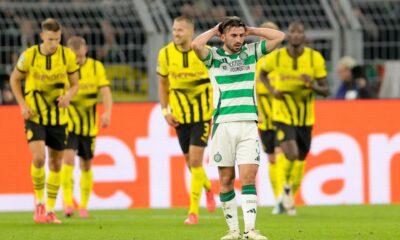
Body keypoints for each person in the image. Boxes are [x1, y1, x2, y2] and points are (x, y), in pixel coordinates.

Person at [192, 16, 285, 239]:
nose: (239, 40)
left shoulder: (251, 52)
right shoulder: (213, 57)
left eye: (241, 36)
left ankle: (250, 230)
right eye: (233, 35)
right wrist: (215, 30)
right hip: (223, 125)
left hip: (248, 125)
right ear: (222, 36)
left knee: (248, 177)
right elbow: (195, 45)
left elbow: (279, 36)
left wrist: (251, 30)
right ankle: (233, 231)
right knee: (225, 179)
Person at [10, 18, 79, 224]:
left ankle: (50, 209)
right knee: (39, 158)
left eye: (57, 40)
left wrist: (68, 96)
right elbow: (14, 79)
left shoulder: (67, 56)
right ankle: (39, 204)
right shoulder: (29, 56)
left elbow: (75, 84)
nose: (54, 44)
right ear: (42, 36)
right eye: (50, 40)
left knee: (55, 163)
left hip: (59, 118)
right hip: (35, 116)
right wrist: (22, 105)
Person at [260, 21, 330, 216]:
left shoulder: (314, 58)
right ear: (288, 35)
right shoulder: (276, 57)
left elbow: (326, 90)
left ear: (304, 36)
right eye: (293, 32)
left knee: (300, 157)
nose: (296, 35)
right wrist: (273, 90)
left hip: (305, 118)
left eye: (300, 32)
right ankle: (281, 197)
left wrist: (312, 86)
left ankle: (287, 193)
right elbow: (263, 77)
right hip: (281, 115)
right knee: (288, 154)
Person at [157, 16, 216, 225]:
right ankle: (208, 189)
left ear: (191, 32)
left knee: (195, 161)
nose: (176, 33)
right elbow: (163, 84)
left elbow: (217, 80)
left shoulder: (203, 52)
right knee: (191, 165)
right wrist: (165, 111)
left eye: (180, 30)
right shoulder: (165, 54)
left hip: (202, 116)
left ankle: (193, 212)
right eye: (174, 29)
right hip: (180, 117)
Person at [61, 36, 113, 218]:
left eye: (80, 56)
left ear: (86, 50)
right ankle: (67, 203)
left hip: (89, 127)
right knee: (67, 160)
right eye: (74, 56)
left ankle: (83, 205)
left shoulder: (96, 67)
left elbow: (105, 91)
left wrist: (107, 113)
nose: (77, 59)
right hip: (68, 123)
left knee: (86, 165)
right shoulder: (63, 67)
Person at [255, 21, 285, 215]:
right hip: (263, 118)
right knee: (273, 158)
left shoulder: (284, 60)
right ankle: (279, 199)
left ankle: (283, 197)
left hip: (283, 116)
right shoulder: (254, 61)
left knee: (282, 154)